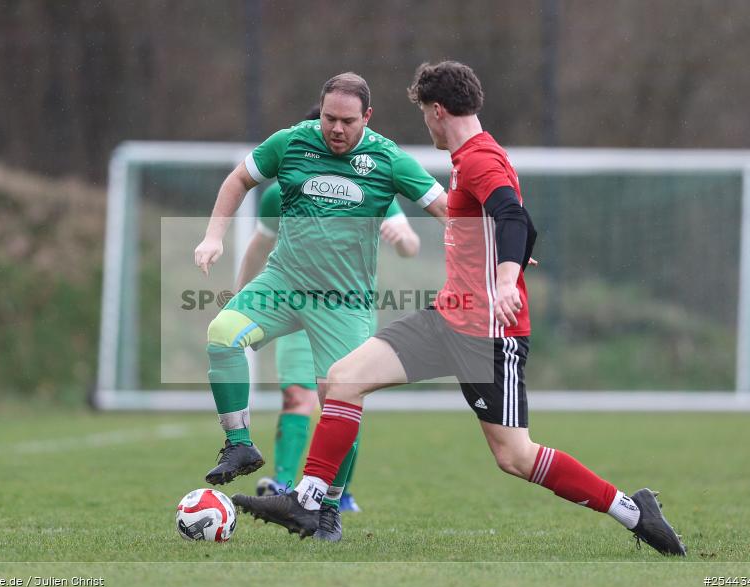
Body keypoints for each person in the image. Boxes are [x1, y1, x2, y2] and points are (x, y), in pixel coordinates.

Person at [231, 61, 687, 557]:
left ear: (437, 111)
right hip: (448, 317)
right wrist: (510, 252)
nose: (426, 126)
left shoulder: (478, 159)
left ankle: (634, 511)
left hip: (488, 334)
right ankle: (310, 501)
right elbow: (516, 225)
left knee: (514, 456)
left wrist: (507, 278)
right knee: (343, 379)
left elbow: (514, 215)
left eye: (424, 115)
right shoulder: (468, 158)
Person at [193, 72, 447, 540]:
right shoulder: (291, 142)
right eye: (329, 118)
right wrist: (213, 237)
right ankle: (239, 444)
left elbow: (447, 210)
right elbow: (238, 179)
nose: (336, 128)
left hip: (344, 302)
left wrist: (498, 255)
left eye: (347, 121)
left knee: (341, 400)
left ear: (367, 117)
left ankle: (327, 509)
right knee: (222, 334)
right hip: (283, 283)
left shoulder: (388, 158)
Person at [239, 106, 422, 512]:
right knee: (296, 396)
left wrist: (402, 237)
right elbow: (259, 246)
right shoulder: (282, 190)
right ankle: (284, 485)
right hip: (293, 308)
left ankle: (338, 495)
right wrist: (241, 301)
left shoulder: (370, 180)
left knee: (341, 401)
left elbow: (411, 244)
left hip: (345, 309)